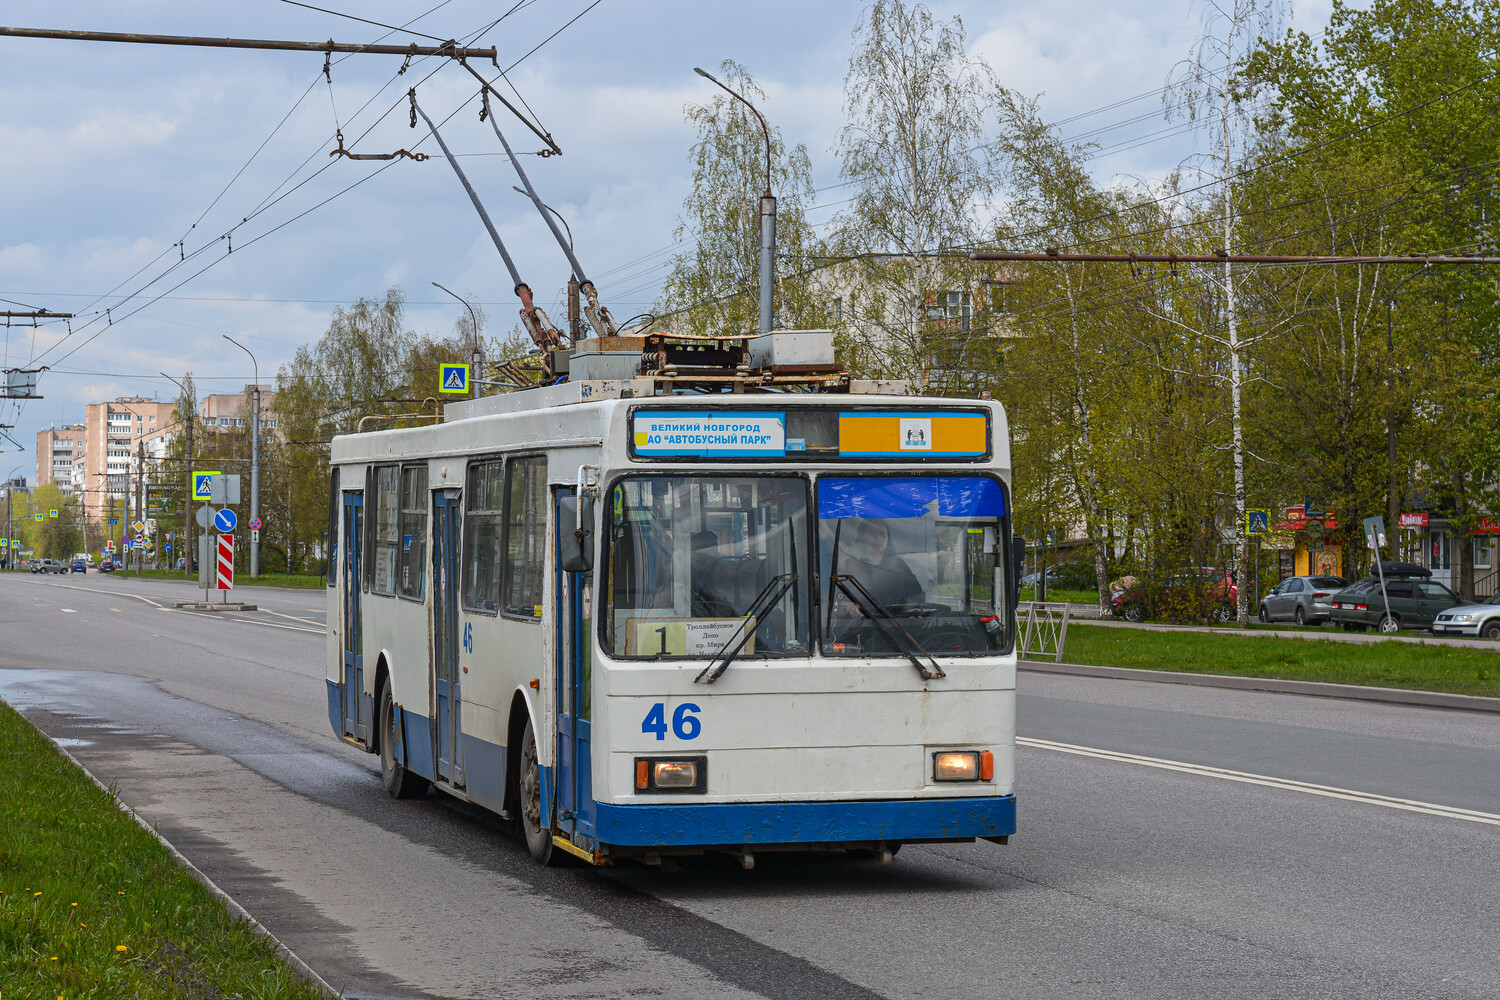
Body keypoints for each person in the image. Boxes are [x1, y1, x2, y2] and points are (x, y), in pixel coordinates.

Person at [842, 518, 922, 607]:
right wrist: (849, 606)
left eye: (882, 534)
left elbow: (916, 596)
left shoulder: (899, 566)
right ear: (861, 537)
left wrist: (912, 610)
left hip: (894, 616)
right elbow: (838, 598)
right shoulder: (851, 566)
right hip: (861, 616)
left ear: (888, 538)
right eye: (872, 534)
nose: (878, 539)